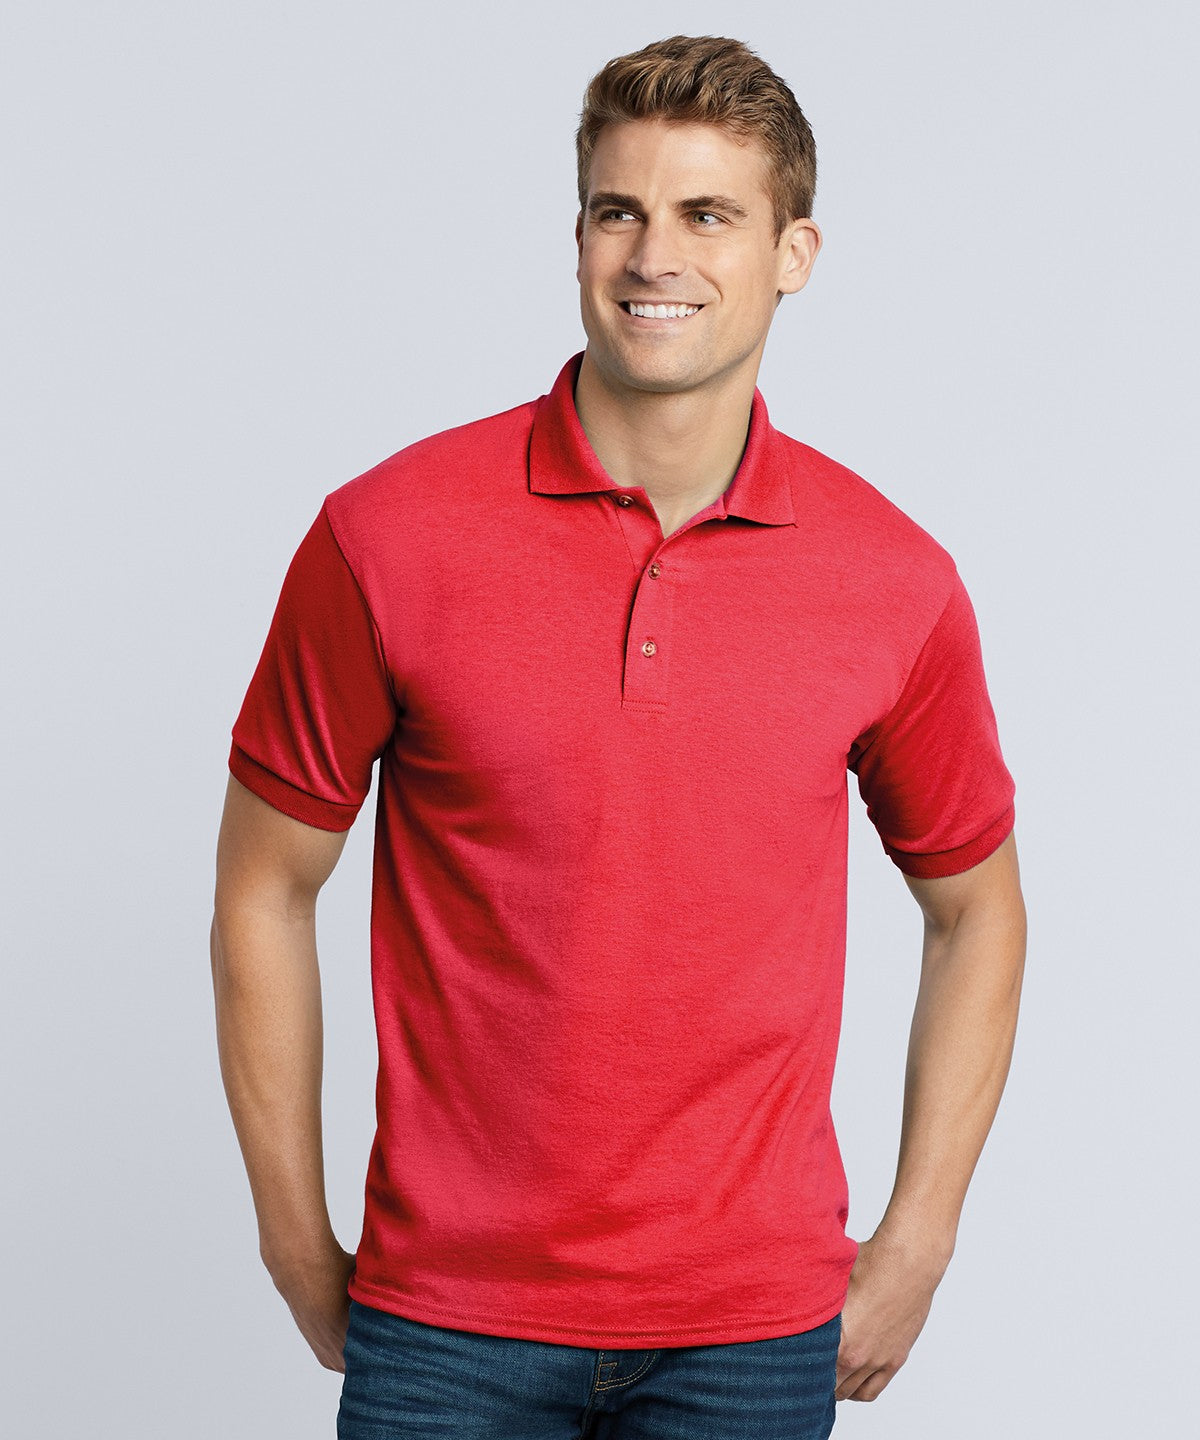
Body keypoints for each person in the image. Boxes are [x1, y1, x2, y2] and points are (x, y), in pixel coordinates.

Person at [210, 32, 1026, 1440]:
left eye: (708, 215)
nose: (655, 256)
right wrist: (294, 1242)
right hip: (449, 1326)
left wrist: (919, 1239)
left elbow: (979, 912)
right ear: (579, 234)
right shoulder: (387, 538)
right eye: (619, 210)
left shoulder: (893, 580)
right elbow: (261, 889)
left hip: (749, 1335)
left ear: (793, 252)